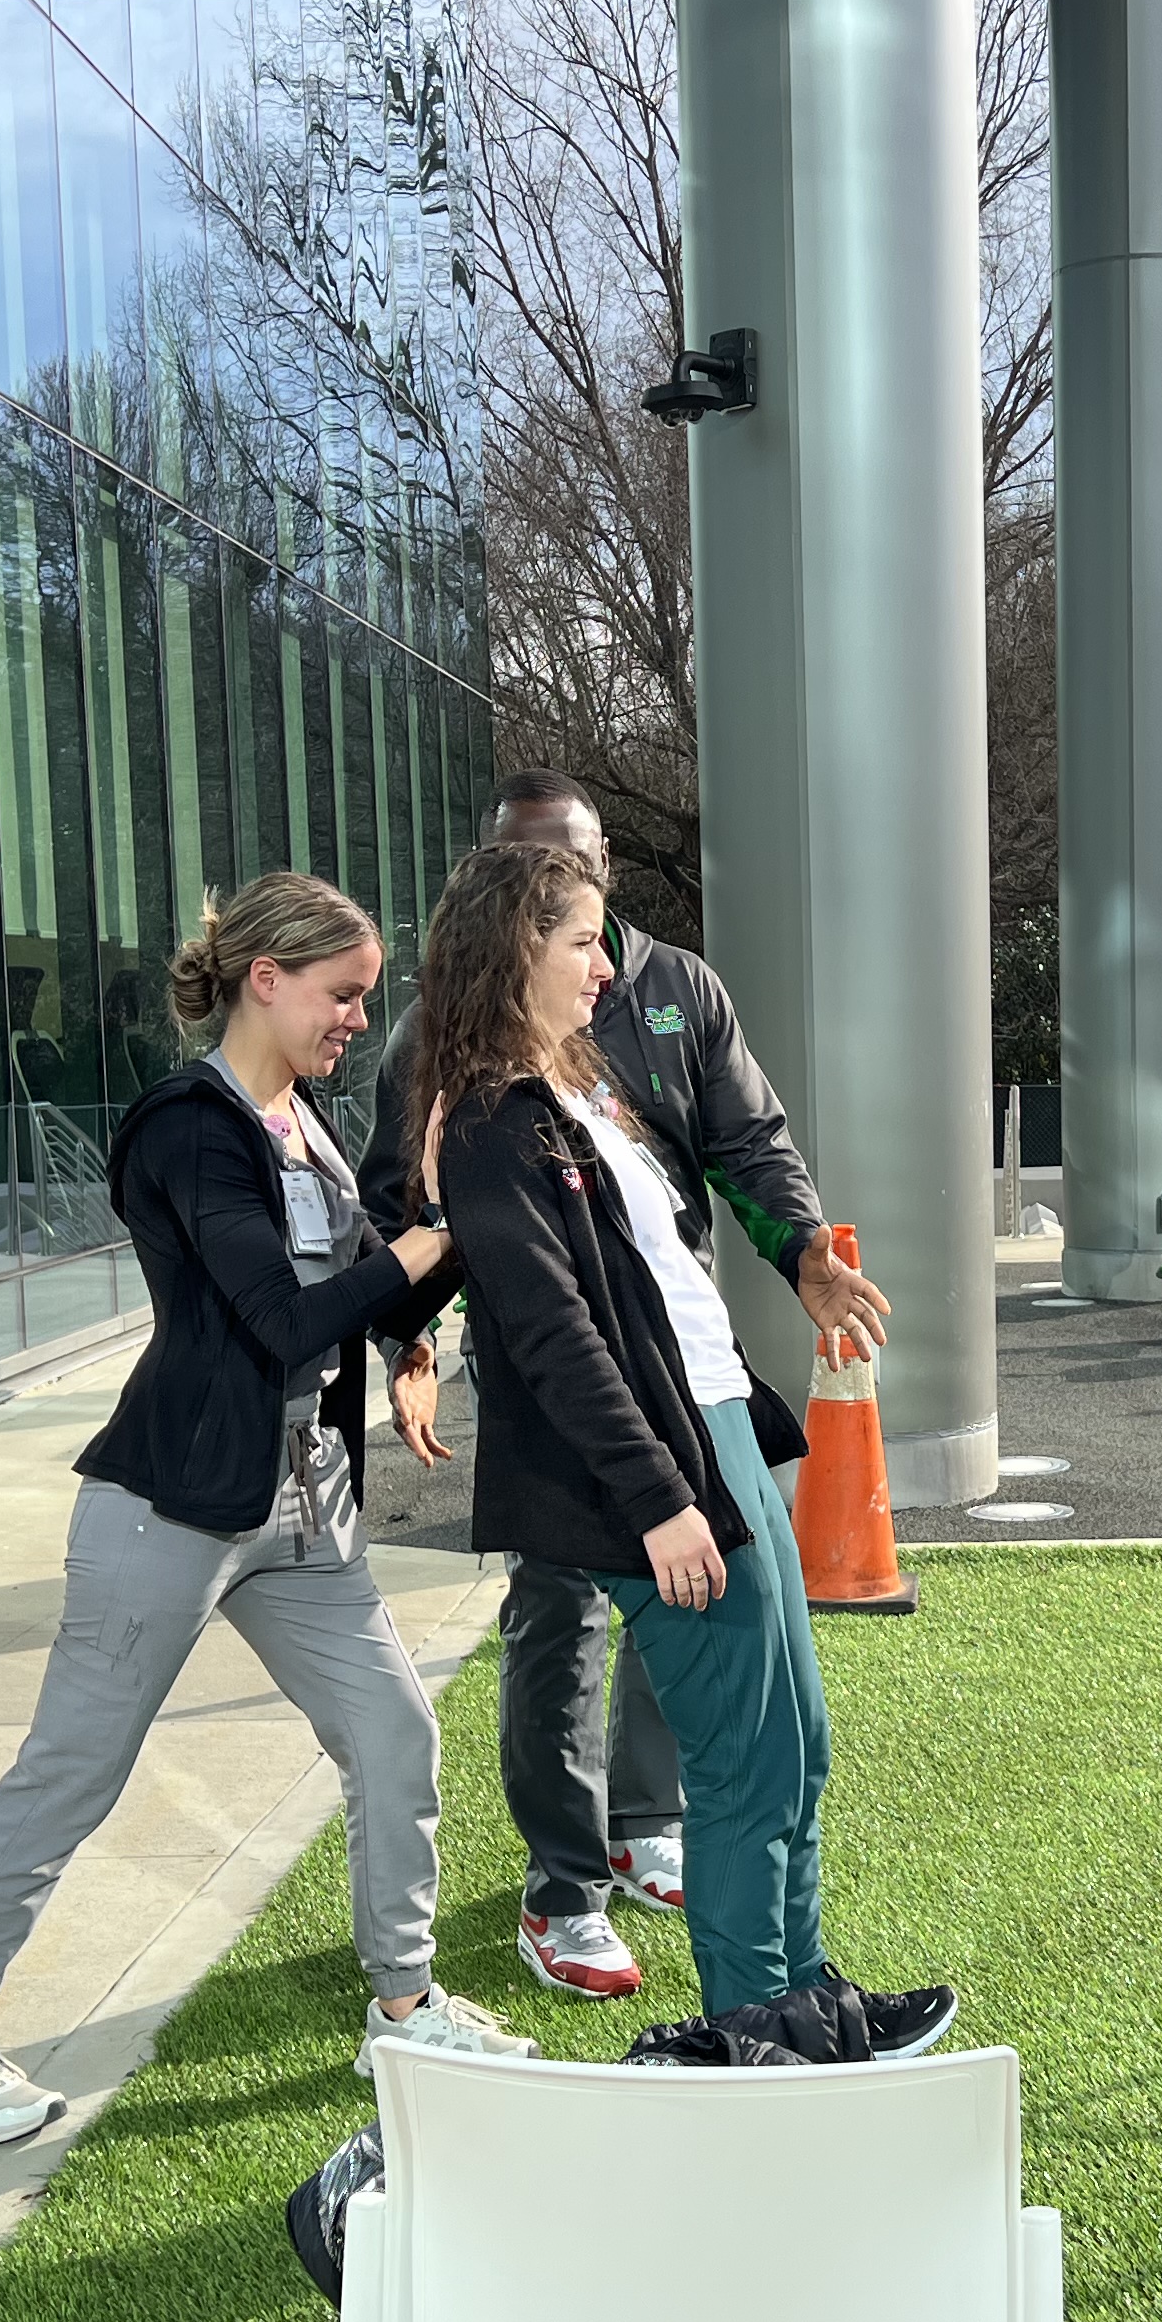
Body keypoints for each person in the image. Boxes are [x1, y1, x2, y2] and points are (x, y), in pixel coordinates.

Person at [0, 873, 532, 2147]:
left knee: (396, 1735)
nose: (359, 1018)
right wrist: (426, 1248)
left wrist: (412, 1327)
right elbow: (282, 1318)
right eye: (344, 995)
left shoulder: (304, 1122)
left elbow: (349, 1291)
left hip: (304, 1506)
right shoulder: (190, 1127)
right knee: (72, 1774)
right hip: (170, 1508)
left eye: (366, 998)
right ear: (266, 978)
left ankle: (403, 2012)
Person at [407, 840, 948, 2048]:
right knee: (746, 1762)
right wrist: (659, 1499)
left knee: (795, 1745)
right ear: (512, 954)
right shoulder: (492, 1123)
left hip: (719, 1428)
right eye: (581, 942)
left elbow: (694, 1230)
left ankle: (805, 1991)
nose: (607, 964)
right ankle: (756, 2025)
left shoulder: (578, 1087)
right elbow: (551, 1337)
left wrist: (799, 1255)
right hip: (662, 1461)